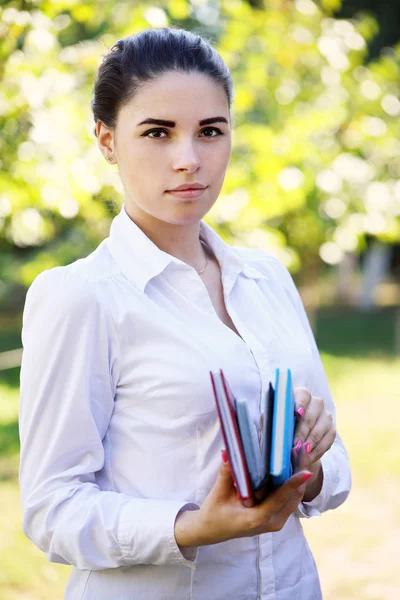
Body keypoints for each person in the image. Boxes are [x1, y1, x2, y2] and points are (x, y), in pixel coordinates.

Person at [18, 27, 351, 600]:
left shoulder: (266, 277)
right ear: (106, 140)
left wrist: (310, 462)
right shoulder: (81, 297)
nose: (189, 159)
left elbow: (334, 470)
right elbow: (51, 508)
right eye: (158, 132)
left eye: (210, 131)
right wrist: (193, 526)